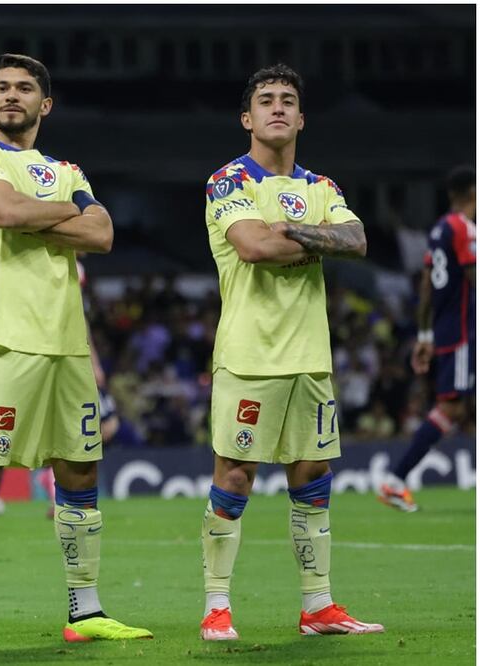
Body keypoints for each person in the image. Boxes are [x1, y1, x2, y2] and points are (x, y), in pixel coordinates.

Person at [0, 53, 152, 650]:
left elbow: (102, 234)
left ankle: (87, 611)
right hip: (7, 336)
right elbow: (4, 212)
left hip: (67, 344)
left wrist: (38, 217)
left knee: (79, 471)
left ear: (44, 104)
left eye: (24, 88)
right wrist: (69, 214)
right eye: (1, 87)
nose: (11, 96)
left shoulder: (66, 167)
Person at [199, 64, 383, 641]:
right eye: (266, 100)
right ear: (247, 118)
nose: (277, 108)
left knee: (313, 473)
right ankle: (216, 607)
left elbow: (356, 241)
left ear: (300, 118)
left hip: (309, 357)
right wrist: (315, 236)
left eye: (287, 101)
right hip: (250, 354)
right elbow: (252, 246)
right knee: (234, 476)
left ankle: (318, 607)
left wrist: (295, 232)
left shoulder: (321, 187)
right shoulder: (228, 181)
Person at [378, 166, 475, 511]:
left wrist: (424, 333)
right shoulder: (463, 228)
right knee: (453, 406)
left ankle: (396, 479)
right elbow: (472, 275)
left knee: (461, 407)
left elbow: (425, 283)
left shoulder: (439, 230)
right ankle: (395, 479)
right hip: (465, 331)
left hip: (449, 330)